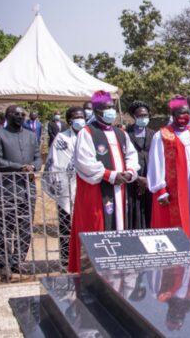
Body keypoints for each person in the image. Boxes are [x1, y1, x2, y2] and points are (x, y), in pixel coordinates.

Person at [68, 91, 140, 273]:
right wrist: (110, 175)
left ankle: (117, 270)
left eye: (112, 107)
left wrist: (130, 172)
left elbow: (131, 155)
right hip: (97, 191)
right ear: (97, 110)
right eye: (107, 108)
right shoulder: (87, 132)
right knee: (98, 228)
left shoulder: (120, 133)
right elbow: (85, 162)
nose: (111, 111)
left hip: (119, 190)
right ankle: (94, 273)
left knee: (119, 227)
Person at [148, 96, 190, 252]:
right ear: (172, 113)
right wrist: (160, 190)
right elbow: (155, 164)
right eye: (180, 113)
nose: (184, 116)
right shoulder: (162, 136)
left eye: (186, 113)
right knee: (172, 225)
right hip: (171, 191)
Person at [0, 105, 41, 282]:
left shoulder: (31, 136)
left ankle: (18, 261)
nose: (20, 117)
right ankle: (5, 264)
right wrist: (20, 167)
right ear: (8, 116)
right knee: (4, 228)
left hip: (28, 189)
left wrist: (33, 166)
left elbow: (38, 158)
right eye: (16, 114)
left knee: (25, 227)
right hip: (7, 189)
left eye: (22, 114)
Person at [44, 106, 85, 268]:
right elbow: (56, 163)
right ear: (69, 121)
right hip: (67, 189)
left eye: (82, 116)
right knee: (66, 226)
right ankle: (66, 260)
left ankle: (84, 259)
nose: (80, 119)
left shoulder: (90, 137)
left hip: (86, 188)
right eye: (77, 117)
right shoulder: (62, 139)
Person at [125, 101, 155, 229]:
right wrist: (137, 178)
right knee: (133, 209)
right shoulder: (125, 134)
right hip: (132, 179)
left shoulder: (154, 134)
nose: (143, 118)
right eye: (140, 116)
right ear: (134, 116)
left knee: (149, 209)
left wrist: (149, 179)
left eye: (146, 115)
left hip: (150, 180)